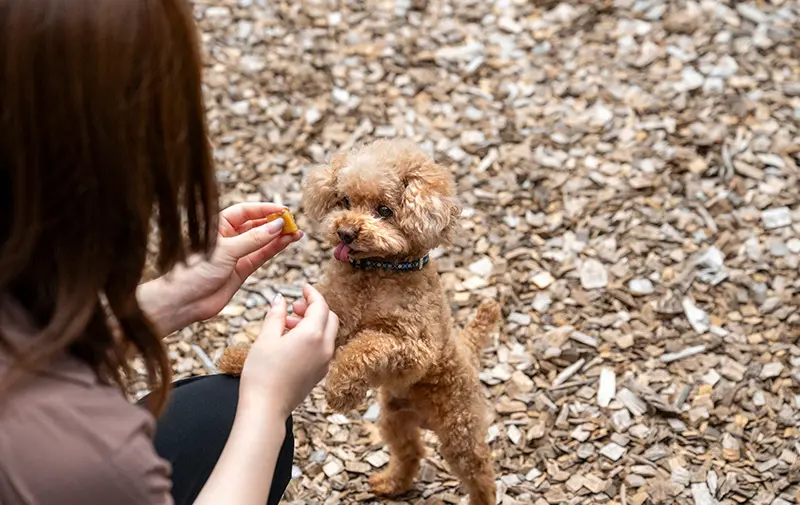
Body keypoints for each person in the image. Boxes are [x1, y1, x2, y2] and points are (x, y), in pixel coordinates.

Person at [0, 1, 338, 505]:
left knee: (216, 416)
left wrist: (163, 303)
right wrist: (268, 404)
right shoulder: (77, 458)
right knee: (242, 414)